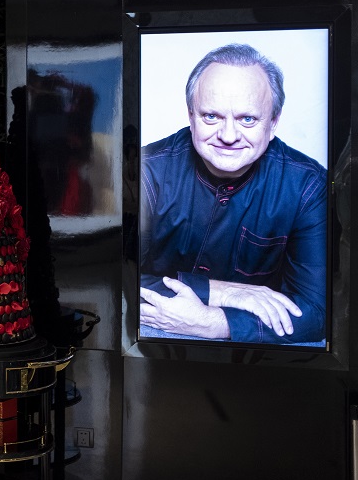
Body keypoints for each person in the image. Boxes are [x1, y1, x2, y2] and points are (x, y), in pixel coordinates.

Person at [139, 43, 327, 345]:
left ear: (274, 122)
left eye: (247, 119)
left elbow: (318, 311)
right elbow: (112, 284)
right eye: (211, 117)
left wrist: (216, 323)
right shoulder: (145, 171)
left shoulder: (308, 185)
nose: (228, 136)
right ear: (190, 115)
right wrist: (226, 292)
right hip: (156, 338)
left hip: (251, 355)